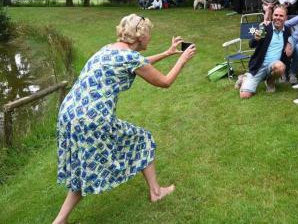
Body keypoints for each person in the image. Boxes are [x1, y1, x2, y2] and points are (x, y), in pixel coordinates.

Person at [52, 14, 196, 224]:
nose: (150, 38)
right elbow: (164, 82)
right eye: (149, 34)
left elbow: (139, 63)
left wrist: (168, 53)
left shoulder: (109, 49)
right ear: (140, 37)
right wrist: (182, 60)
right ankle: (156, 193)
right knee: (142, 139)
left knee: (82, 167)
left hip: (69, 113)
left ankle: (60, 221)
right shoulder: (130, 57)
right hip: (92, 118)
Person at [236, 6, 292, 98]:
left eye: (281, 16)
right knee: (244, 96)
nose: (278, 17)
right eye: (276, 15)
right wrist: (256, 38)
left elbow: (293, 37)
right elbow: (251, 44)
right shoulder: (265, 27)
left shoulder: (287, 30)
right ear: (272, 16)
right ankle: (244, 78)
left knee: (280, 67)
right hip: (259, 66)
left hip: (274, 66)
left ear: (285, 18)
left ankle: (270, 81)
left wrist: (290, 43)